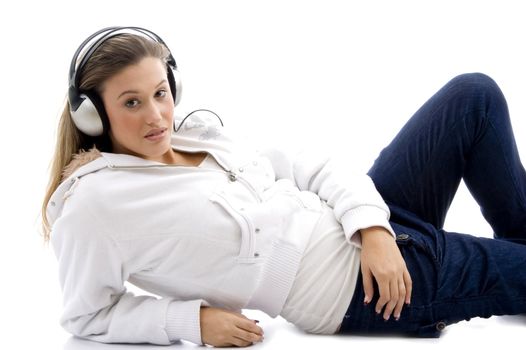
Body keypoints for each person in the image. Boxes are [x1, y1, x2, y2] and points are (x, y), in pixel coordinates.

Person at [41, 26, 526, 347]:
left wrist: (371, 228)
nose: (155, 115)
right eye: (131, 103)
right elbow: (87, 315)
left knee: (473, 95)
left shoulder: (195, 137)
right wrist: (191, 322)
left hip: (373, 227)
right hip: (362, 290)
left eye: (160, 93)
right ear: (92, 114)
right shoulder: (95, 206)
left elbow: (308, 167)